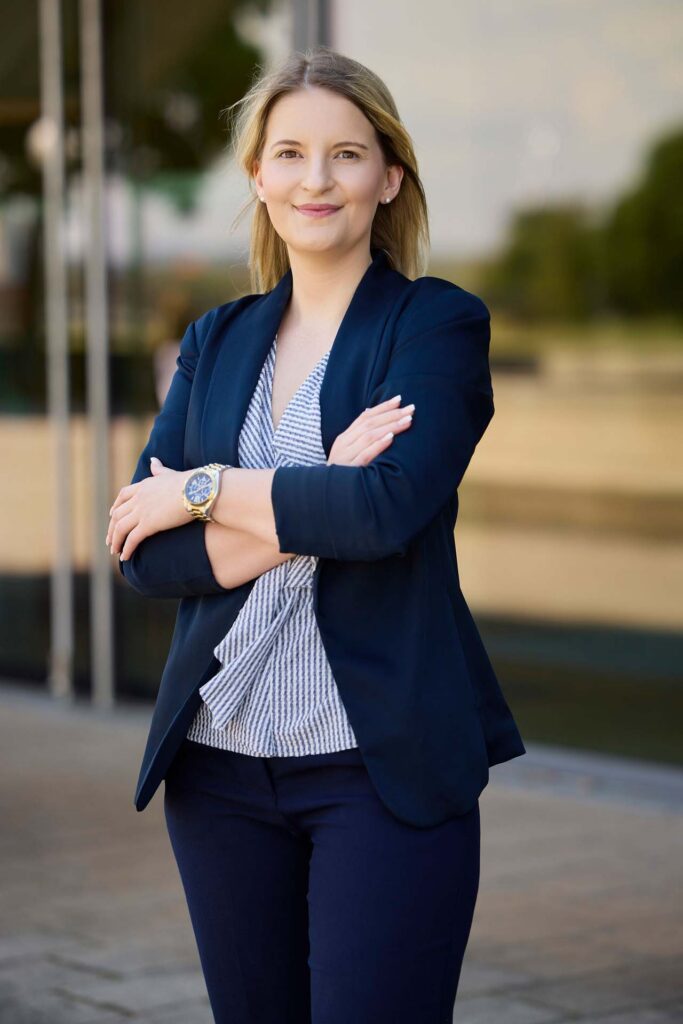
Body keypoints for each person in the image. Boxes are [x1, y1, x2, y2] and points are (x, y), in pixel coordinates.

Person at [107, 45, 526, 1024]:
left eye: (345, 154)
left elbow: (382, 513)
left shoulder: (433, 327)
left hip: (375, 769)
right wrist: (320, 484)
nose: (315, 178)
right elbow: (146, 551)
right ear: (258, 176)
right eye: (289, 153)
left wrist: (206, 487)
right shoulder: (217, 338)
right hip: (216, 767)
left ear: (388, 177)